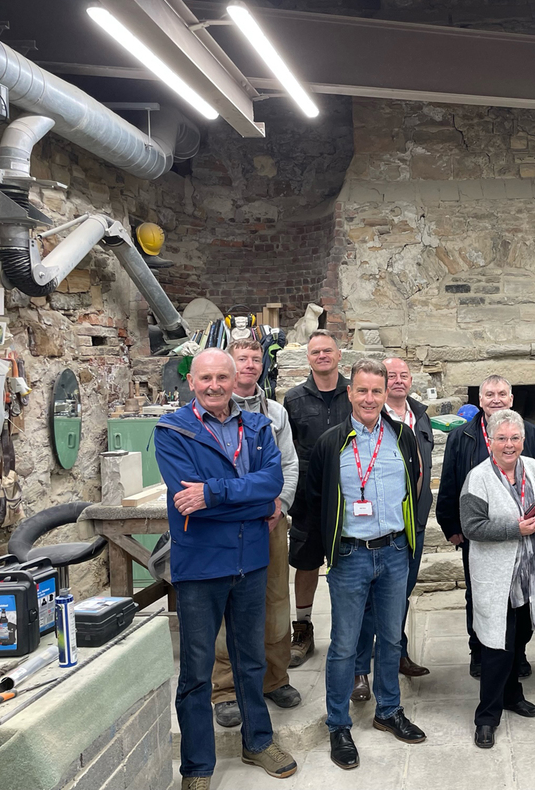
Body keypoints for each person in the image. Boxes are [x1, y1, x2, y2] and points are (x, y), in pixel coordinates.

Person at [154, 348, 297, 790]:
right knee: (197, 672)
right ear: (191, 382)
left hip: (250, 561)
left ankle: (258, 742)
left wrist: (213, 494)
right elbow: (187, 500)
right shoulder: (172, 430)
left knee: (250, 660)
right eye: (205, 378)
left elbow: (273, 482)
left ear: (235, 381)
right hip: (200, 566)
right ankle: (197, 767)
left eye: (222, 377)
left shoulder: (257, 426)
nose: (214, 386)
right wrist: (251, 502)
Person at [289, 358, 426, 770]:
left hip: (395, 552)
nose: (369, 398)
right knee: (345, 645)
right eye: (362, 390)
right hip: (350, 556)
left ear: (386, 394)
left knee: (391, 639)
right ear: (350, 393)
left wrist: (408, 538)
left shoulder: (402, 436)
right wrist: (326, 551)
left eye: (376, 391)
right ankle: (338, 724)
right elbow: (315, 498)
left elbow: (415, 486)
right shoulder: (331, 442)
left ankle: (389, 711)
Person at [435, 374, 535, 678]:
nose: (496, 399)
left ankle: (518, 653)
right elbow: (449, 483)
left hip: (527, 540)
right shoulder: (461, 436)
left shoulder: (529, 432)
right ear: (480, 400)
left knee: (522, 598)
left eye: (502, 394)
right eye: (490, 394)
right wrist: (451, 526)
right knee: (480, 596)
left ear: (512, 399)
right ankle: (480, 652)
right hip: (479, 535)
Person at [460, 409, 535, 748]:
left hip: (530, 574)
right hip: (497, 576)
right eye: (502, 438)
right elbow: (471, 527)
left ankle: (512, 695)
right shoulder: (478, 478)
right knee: (496, 645)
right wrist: (515, 528)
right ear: (490, 440)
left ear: (523, 440)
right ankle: (486, 717)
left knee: (520, 637)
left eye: (515, 438)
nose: (509, 445)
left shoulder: (533, 468)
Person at [212, 340, 301, 728]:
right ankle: (225, 689)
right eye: (241, 359)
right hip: (226, 524)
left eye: (255, 359)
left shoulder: (276, 413)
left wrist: (281, 505)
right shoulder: (211, 412)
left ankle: (274, 678)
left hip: (269, 522)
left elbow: (289, 463)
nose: (249, 365)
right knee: (226, 602)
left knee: (275, 599)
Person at [352, 356, 434, 704]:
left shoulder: (420, 416)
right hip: (374, 530)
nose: (398, 380)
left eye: (404, 375)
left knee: (398, 597)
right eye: (392, 376)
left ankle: (397, 653)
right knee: (368, 604)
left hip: (412, 525)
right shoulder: (371, 418)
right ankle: (359, 670)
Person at [284, 329, 351, 667]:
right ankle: (303, 629)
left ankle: (349, 632)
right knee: (306, 564)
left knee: (348, 566)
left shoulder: (354, 394)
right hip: (307, 498)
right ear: (308, 359)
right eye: (315, 352)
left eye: (327, 350)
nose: (322, 356)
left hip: (349, 496)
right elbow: (287, 450)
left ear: (339, 355)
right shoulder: (294, 399)